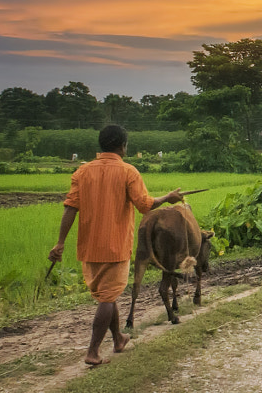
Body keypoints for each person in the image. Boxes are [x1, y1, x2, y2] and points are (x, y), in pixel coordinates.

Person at [48, 124, 184, 365]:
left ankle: (118, 338)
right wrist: (168, 198)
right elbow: (144, 205)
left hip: (88, 248)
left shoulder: (82, 172)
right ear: (123, 146)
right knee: (108, 298)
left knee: (107, 295)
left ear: (101, 145)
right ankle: (92, 351)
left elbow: (70, 208)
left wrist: (60, 243)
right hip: (115, 246)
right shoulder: (128, 172)